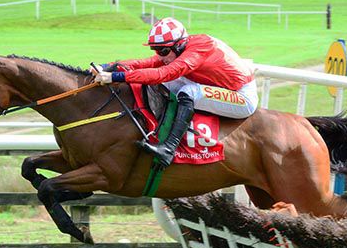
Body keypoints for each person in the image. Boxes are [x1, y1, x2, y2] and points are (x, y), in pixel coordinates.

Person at [92, 17, 258, 168]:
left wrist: (115, 77)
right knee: (163, 84)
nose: (159, 55)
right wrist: (108, 66)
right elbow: (147, 63)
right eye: (156, 50)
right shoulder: (180, 48)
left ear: (178, 45)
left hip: (241, 96)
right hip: (218, 84)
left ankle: (168, 149)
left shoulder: (199, 48)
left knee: (188, 91)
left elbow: (164, 73)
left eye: (163, 51)